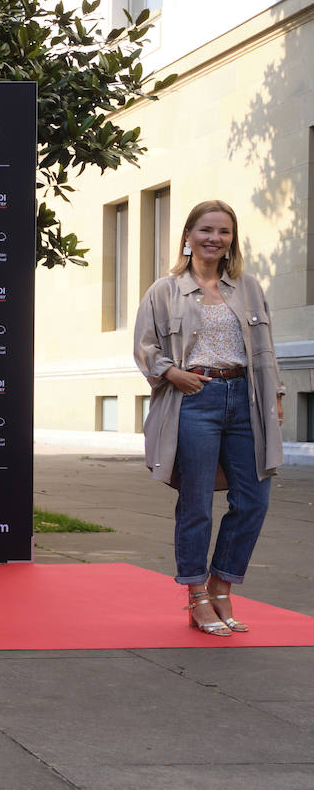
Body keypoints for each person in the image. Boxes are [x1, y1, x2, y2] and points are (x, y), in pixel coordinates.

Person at [135, 199, 284, 636]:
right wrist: (172, 373)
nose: (215, 239)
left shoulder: (249, 288)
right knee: (196, 503)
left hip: (246, 400)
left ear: (231, 239)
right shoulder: (164, 290)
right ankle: (197, 595)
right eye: (206, 230)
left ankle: (223, 585)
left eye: (223, 232)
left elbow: (266, 347)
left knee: (254, 499)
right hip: (194, 399)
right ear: (188, 235)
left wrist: (276, 394)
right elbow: (145, 347)